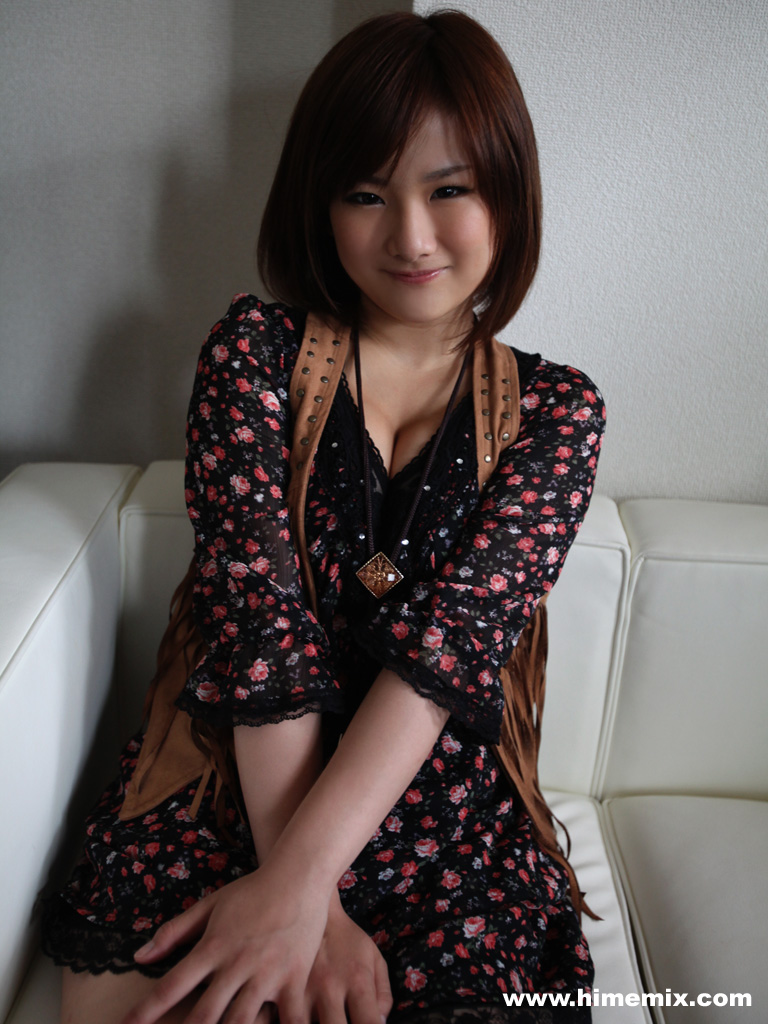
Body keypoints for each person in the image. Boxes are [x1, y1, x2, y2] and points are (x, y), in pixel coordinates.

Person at [42, 10, 605, 1024]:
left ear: (508, 195)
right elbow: (256, 622)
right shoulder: (253, 353)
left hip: (436, 804)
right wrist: (292, 892)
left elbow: (448, 653)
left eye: (450, 190)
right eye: (366, 194)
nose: (411, 237)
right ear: (322, 204)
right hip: (235, 778)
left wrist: (302, 888)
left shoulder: (557, 411)